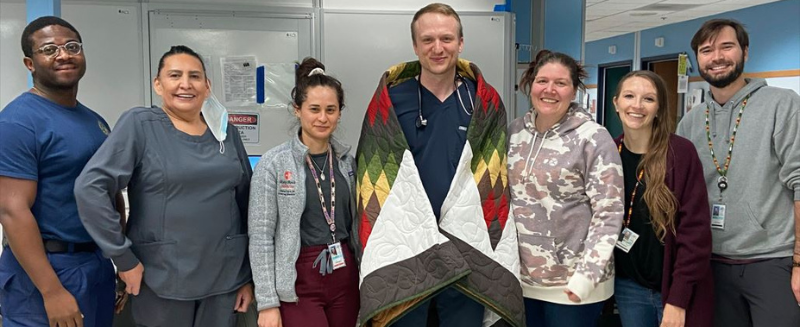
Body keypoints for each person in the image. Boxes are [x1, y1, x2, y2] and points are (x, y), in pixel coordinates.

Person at [353, 3, 523, 327]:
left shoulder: (483, 103)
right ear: (415, 46)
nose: (437, 48)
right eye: (427, 40)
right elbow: (370, 179)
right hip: (407, 250)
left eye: (446, 38)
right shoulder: (390, 101)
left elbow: (496, 179)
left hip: (466, 251)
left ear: (461, 43)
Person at [74, 45, 254, 327]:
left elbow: (245, 203)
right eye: (174, 75)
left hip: (225, 279)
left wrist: (246, 277)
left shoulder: (225, 132)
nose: (186, 84)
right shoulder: (140, 125)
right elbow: (91, 188)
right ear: (158, 84)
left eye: (195, 76)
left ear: (207, 87)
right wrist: (123, 258)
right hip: (162, 277)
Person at [676, 18, 800, 327]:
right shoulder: (691, 121)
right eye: (706, 50)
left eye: (726, 47)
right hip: (711, 265)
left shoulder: (782, 104)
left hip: (773, 262)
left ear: (745, 52)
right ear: (698, 60)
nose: (716, 57)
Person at [0, 16, 119, 327]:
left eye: (71, 46)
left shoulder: (95, 121)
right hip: (47, 271)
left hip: (95, 264)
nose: (63, 54)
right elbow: (12, 210)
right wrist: (51, 291)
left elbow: (109, 190)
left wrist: (117, 263)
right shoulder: (18, 122)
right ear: (30, 63)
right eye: (49, 49)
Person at [508, 49, 624, 327]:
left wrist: (587, 275)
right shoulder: (513, 132)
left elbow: (609, 212)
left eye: (560, 83)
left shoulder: (593, 138)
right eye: (542, 81)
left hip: (574, 284)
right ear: (530, 84)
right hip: (522, 280)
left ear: (574, 91)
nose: (550, 90)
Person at [248, 57, 359, 327]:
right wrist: (267, 302)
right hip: (297, 278)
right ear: (297, 110)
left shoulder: (347, 162)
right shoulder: (274, 164)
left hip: (345, 273)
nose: (323, 118)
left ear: (340, 113)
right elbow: (261, 236)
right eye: (314, 109)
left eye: (331, 110)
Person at [612, 70, 714, 327]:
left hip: (675, 288)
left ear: (658, 108)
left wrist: (678, 299)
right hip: (628, 287)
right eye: (629, 96)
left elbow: (695, 232)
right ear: (616, 103)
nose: (637, 105)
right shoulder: (608, 152)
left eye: (648, 99)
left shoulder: (680, 153)